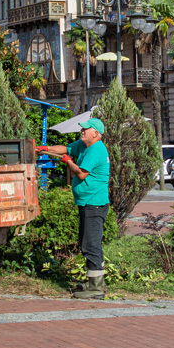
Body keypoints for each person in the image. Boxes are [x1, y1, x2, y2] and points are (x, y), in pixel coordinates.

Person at [38, 118, 110, 300]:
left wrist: (68, 162)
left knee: (91, 244)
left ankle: (96, 289)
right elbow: (65, 149)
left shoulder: (96, 149)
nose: (82, 131)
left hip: (94, 203)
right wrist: (45, 149)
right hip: (87, 202)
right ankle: (95, 281)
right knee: (89, 241)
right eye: (82, 129)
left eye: (86, 129)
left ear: (96, 133)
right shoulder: (84, 145)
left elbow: (81, 173)